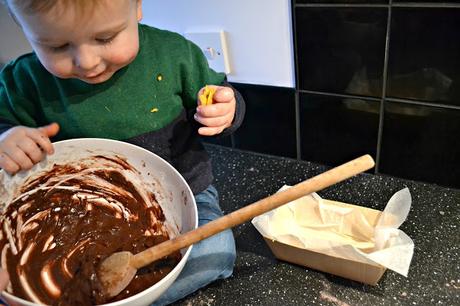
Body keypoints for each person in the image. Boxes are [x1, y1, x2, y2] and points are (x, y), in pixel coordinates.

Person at [0, 0, 245, 305]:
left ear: (137, 6)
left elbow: (220, 96)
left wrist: (226, 108)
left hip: (186, 195)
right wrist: (7, 137)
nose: (86, 61)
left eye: (105, 38)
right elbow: (4, 124)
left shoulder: (175, 55)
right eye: (58, 46)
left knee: (216, 249)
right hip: (72, 206)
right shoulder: (23, 81)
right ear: (21, 25)